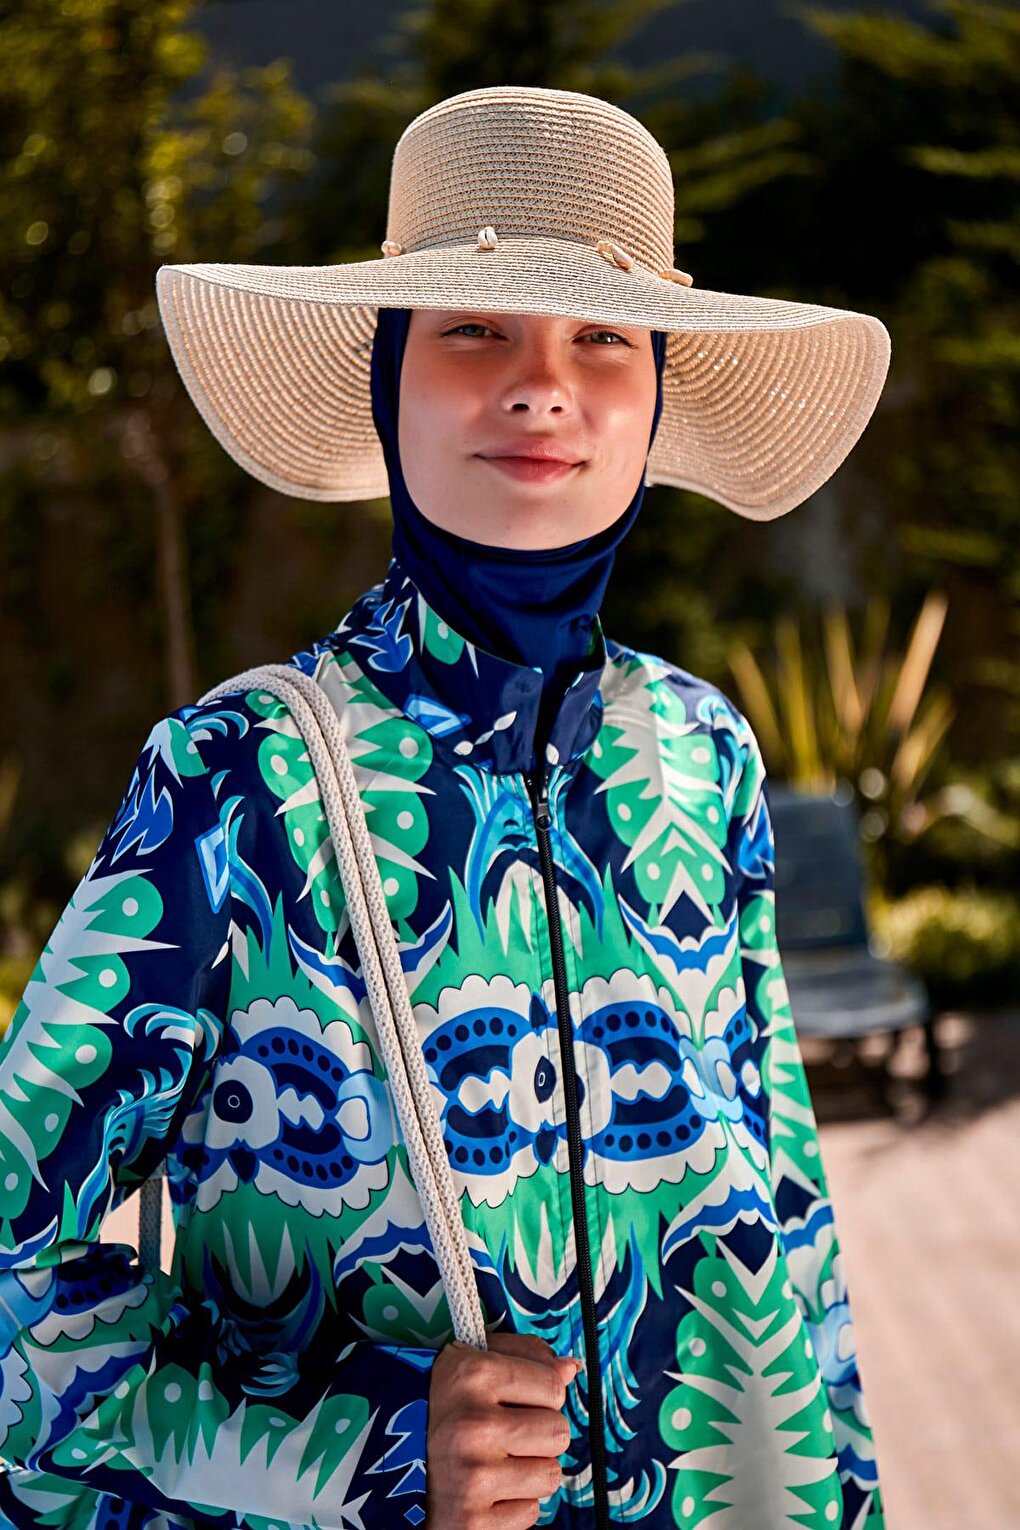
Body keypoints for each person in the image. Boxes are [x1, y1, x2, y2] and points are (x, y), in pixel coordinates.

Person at [0, 85, 890, 1530]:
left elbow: (792, 1231)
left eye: (605, 337)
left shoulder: (702, 753)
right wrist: (368, 1447)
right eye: (474, 329)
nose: (546, 386)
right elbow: (13, 1267)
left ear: (655, 394)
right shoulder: (237, 781)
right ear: (384, 381)